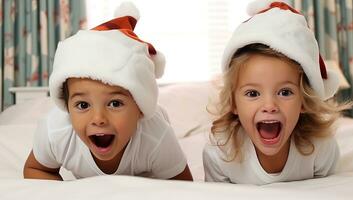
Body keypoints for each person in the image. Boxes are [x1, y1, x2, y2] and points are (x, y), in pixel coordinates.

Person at [23, 2, 193, 181]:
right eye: (82, 105)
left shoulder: (156, 137)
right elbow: (37, 169)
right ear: (67, 108)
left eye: (115, 103)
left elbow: (182, 185)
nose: (98, 119)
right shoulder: (56, 131)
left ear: (140, 108)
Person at [203, 0, 350, 185]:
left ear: (304, 101)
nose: (270, 106)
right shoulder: (220, 151)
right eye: (253, 94)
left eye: (285, 92)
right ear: (233, 103)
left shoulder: (321, 147)